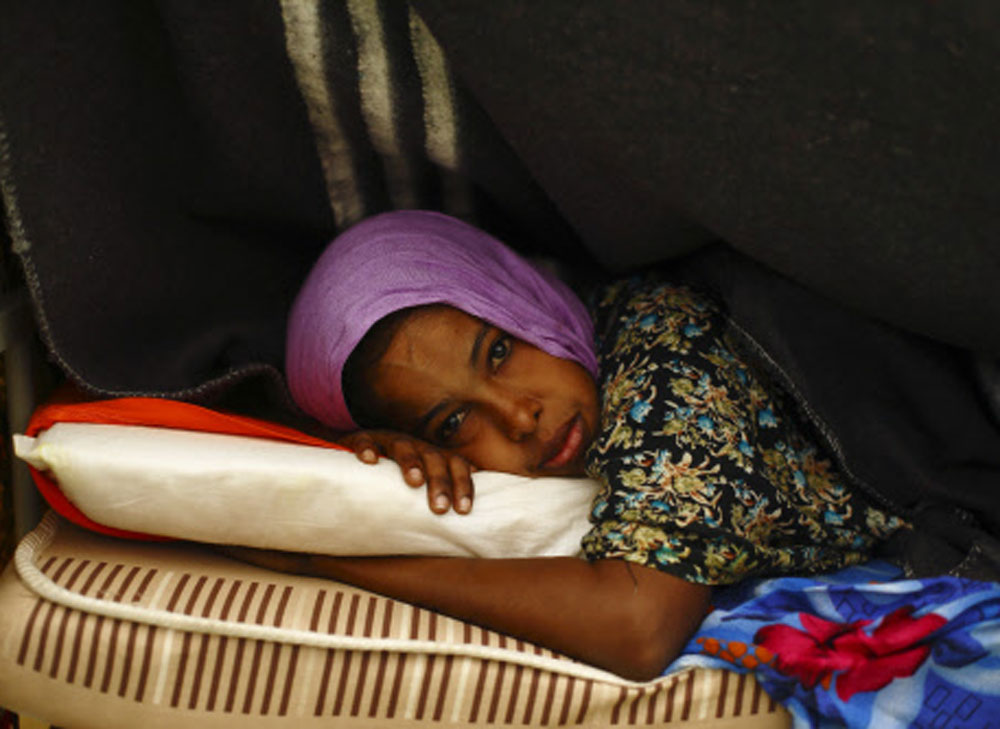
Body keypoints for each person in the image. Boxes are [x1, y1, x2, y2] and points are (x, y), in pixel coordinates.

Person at [269, 210, 914, 680]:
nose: (519, 415)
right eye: (453, 422)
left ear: (524, 296)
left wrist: (332, 564)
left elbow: (637, 625)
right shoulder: (596, 356)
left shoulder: (666, 359)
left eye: (500, 351)